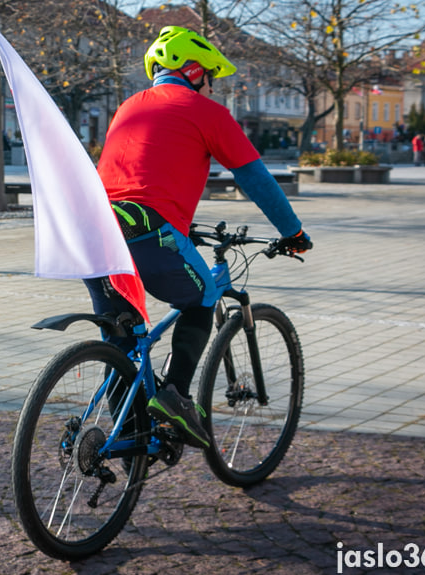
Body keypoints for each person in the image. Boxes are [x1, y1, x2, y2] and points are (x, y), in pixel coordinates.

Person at [84, 26, 311, 449]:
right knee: (203, 296)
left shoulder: (129, 106)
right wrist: (293, 232)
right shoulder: (205, 112)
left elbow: (139, 174)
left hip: (93, 232)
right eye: (210, 76)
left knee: (122, 342)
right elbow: (256, 179)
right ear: (192, 71)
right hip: (147, 231)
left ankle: (129, 440)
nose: (212, 85)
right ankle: (176, 397)